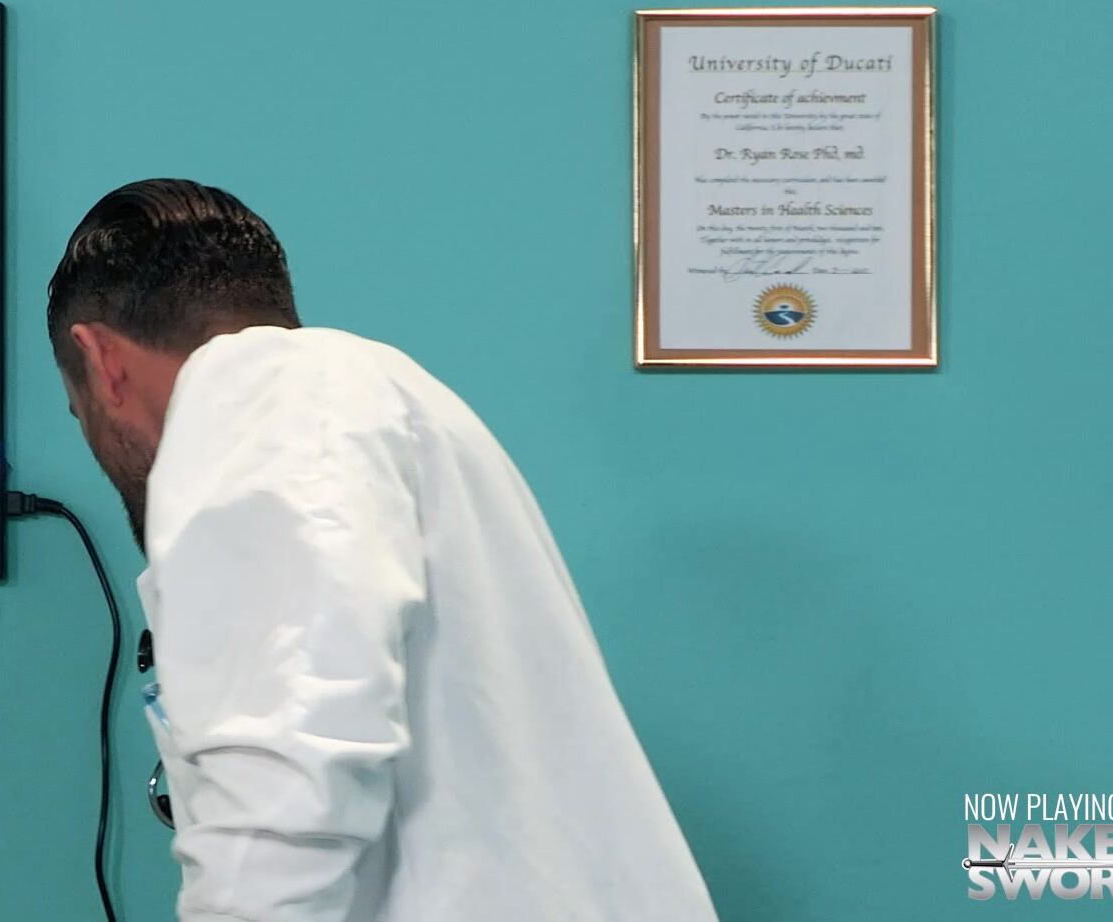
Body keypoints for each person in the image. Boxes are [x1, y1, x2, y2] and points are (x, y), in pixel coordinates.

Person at [47, 178, 718, 922]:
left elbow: (284, 792)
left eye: (80, 414)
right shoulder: (368, 398)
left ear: (100, 359)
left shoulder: (266, 395)